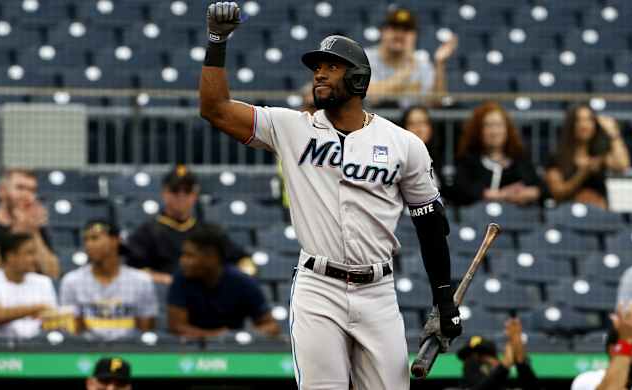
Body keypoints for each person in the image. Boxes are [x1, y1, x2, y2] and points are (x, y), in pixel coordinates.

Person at [199, 3, 462, 388]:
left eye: (331, 66)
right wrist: (216, 41)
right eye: (316, 68)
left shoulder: (403, 143)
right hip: (318, 287)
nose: (319, 73)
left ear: (358, 79)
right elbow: (215, 108)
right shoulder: (291, 126)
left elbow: (430, 225)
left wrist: (444, 299)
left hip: (377, 290)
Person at [126, 165, 251, 284]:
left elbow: (243, 260)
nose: (182, 196)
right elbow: (131, 271)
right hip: (164, 296)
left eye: (187, 191)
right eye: (175, 190)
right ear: (164, 193)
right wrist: (166, 280)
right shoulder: (146, 232)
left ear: (195, 195)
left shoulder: (209, 232)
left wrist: (240, 278)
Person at [167, 223, 279, 338]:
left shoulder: (243, 282)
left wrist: (240, 336)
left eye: (189, 255)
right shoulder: (181, 278)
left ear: (212, 256)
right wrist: (216, 336)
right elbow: (177, 327)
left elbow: (271, 326)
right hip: (190, 351)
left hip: (233, 350)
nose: (182, 261)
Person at [59, 220, 157, 340]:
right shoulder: (71, 281)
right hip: (86, 350)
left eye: (95, 238)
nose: (89, 244)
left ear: (115, 240)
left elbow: (145, 328)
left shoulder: (141, 281)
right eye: (86, 240)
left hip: (131, 350)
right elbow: (73, 328)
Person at [451, 102, 544, 207]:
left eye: (499, 125)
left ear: (507, 129)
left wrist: (528, 193)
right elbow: (459, 191)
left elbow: (541, 189)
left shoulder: (520, 159)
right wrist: (501, 194)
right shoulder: (467, 160)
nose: (494, 132)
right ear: (478, 130)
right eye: (488, 125)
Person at [365, 7, 458, 108]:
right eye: (394, 28)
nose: (399, 34)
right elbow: (370, 97)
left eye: (406, 30)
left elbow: (436, 103)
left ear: (415, 36)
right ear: (383, 32)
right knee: (388, 105)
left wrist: (440, 63)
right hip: (374, 120)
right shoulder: (366, 58)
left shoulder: (422, 63)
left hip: (409, 122)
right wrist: (405, 71)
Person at [544, 104, 630, 209]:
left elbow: (622, 165)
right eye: (579, 120)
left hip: (599, 216)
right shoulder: (557, 157)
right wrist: (582, 173)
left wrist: (613, 133)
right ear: (571, 125)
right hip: (568, 215)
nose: (584, 125)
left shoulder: (599, 154)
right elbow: (557, 192)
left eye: (589, 120)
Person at [0, 169, 59, 278]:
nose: (26, 195)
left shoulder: (36, 229)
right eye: (20, 188)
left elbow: (52, 273)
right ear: (1, 191)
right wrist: (16, 232)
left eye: (32, 190)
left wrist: (34, 233)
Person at [0, 233, 57, 338]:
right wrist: (35, 309)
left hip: (39, 347)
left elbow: (53, 317)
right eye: (29, 253)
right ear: (11, 256)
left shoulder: (44, 282)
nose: (35, 259)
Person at [457, 318, 540, 390]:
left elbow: (532, 386)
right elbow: (483, 387)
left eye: (482, 356)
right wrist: (504, 366)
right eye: (469, 357)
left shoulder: (503, 379)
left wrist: (520, 361)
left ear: (495, 360)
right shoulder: (468, 381)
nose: (472, 362)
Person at [400, 105, 444, 190]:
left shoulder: (442, 156)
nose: (418, 129)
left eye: (423, 123)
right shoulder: (399, 160)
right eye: (412, 124)